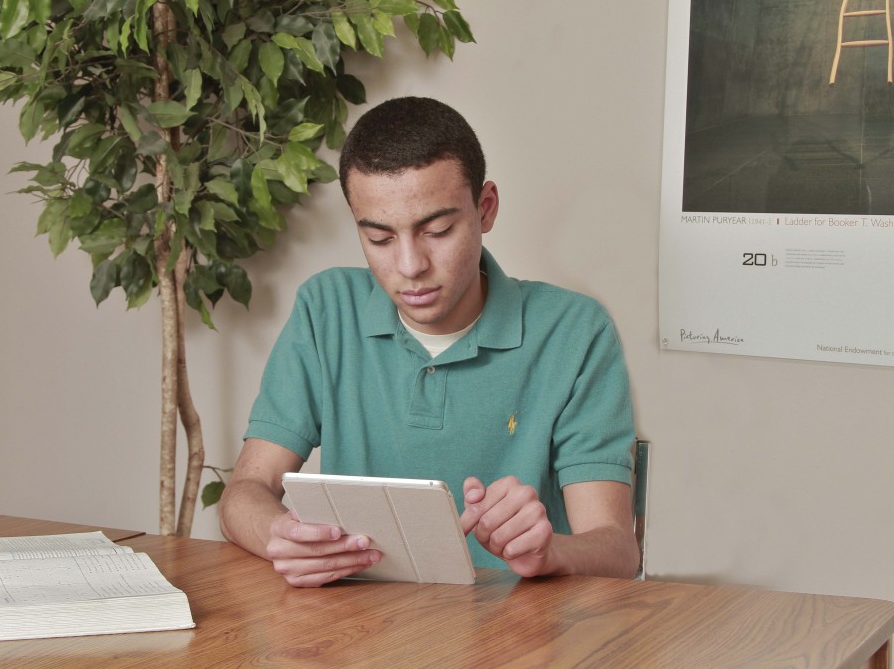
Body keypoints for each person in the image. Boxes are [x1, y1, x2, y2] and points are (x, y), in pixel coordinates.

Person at [219, 96, 639, 587]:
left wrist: (552, 553)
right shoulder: (325, 310)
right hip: (360, 631)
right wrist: (280, 533)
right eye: (378, 239)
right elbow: (244, 492)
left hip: (517, 637)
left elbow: (616, 548)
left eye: (437, 230)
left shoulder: (574, 331)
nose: (410, 265)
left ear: (485, 209)